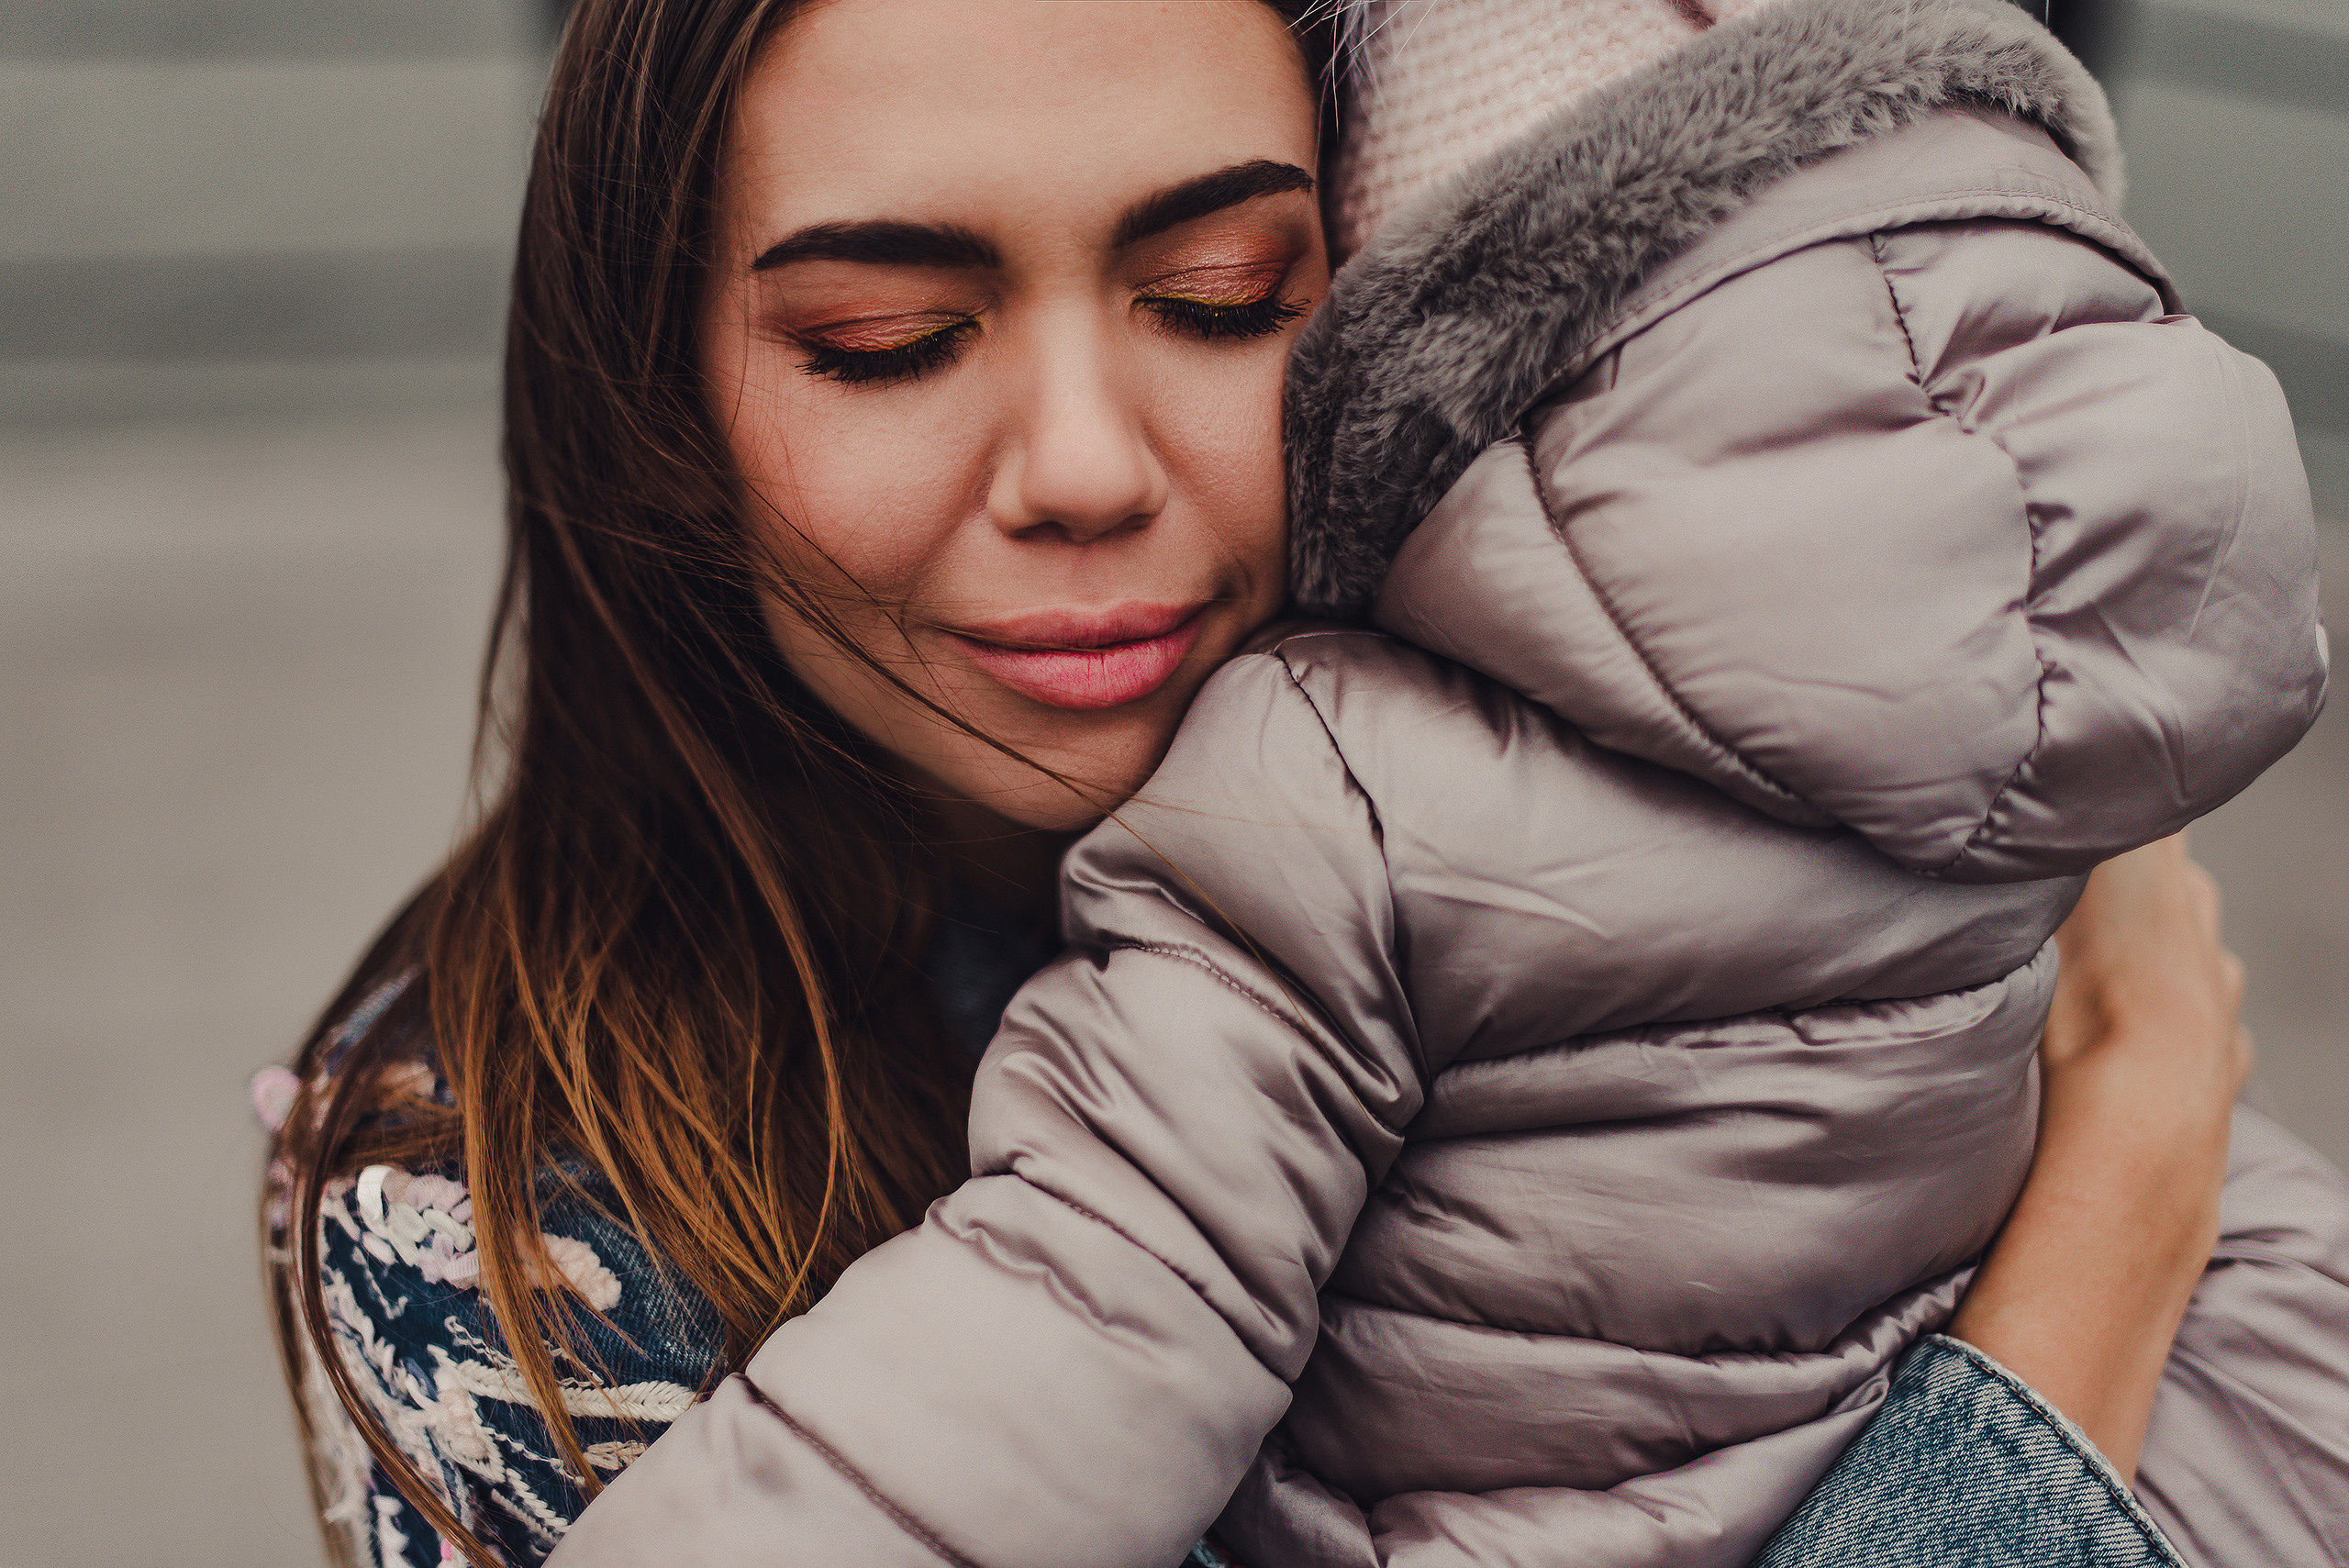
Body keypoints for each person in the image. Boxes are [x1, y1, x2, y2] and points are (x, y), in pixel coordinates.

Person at [256, 3, 2337, 1566]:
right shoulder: (495, 1227)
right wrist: (2111, 1209)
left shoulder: (1701, 759)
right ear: (651, 395)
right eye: (886, 337)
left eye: (1221, 299)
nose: (1083, 465)